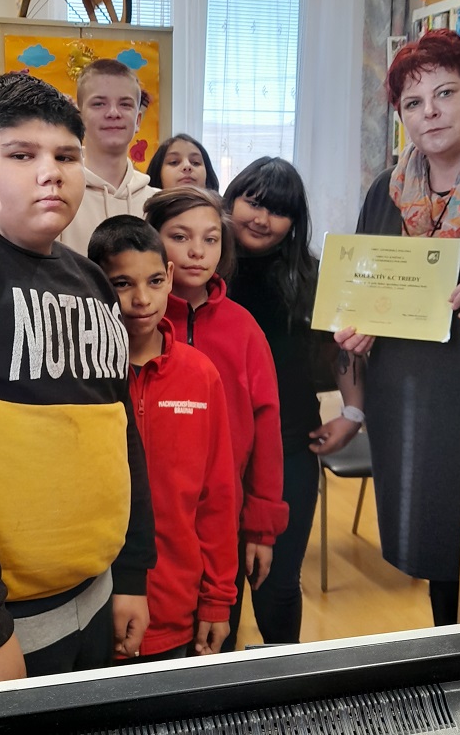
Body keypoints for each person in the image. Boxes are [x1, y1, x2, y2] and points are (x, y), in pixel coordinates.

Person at [0, 73, 156, 692]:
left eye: (66, 157)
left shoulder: (91, 279)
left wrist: (131, 573)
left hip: (92, 599)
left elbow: (119, 431)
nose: (50, 173)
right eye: (22, 155)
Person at [335, 29, 460, 626]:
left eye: (446, 93)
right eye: (413, 103)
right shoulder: (386, 191)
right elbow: (361, 286)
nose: (430, 112)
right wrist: (354, 320)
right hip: (410, 404)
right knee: (440, 562)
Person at [223, 157, 366, 644]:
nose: (263, 219)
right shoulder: (203, 268)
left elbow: (340, 346)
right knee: (219, 588)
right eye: (253, 203)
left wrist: (352, 413)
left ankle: (286, 680)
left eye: (279, 211)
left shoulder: (313, 277)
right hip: (213, 453)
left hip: (288, 447)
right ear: (231, 200)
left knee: (278, 586)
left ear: (295, 221)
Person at [144, 187, 289, 652]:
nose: (196, 252)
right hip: (152, 520)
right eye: (179, 237)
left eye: (210, 239)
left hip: (223, 524)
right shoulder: (137, 321)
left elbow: (266, 429)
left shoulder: (243, 328)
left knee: (216, 642)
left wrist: (261, 528)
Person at [88, 215, 238, 660]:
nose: (142, 299)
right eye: (121, 284)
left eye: (155, 281)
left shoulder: (200, 375)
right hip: (91, 611)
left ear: (170, 277)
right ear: (94, 283)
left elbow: (217, 496)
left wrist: (218, 598)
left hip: (176, 610)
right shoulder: (78, 373)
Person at [61, 58, 159, 255]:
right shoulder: (58, 195)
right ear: (79, 117)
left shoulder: (157, 204)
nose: (113, 113)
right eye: (99, 104)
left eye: (125, 104)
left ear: (138, 121)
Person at [146, 134, 220, 191]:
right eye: (174, 162)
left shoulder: (220, 206)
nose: (187, 166)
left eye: (195, 163)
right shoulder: (142, 205)